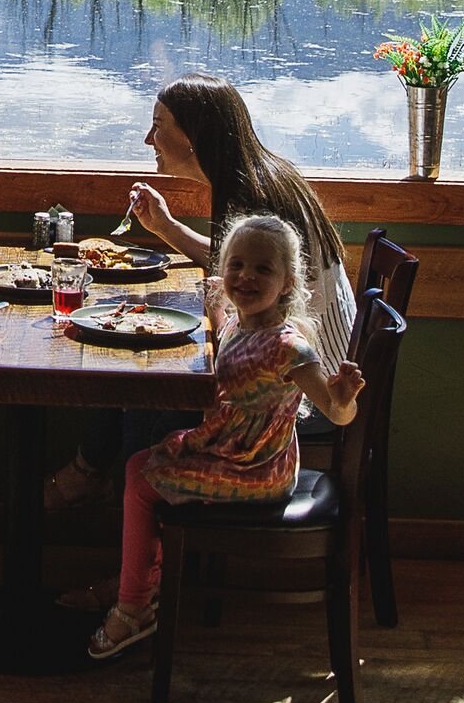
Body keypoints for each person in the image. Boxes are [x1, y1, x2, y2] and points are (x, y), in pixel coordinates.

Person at [45, 76, 353, 511]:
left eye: (158, 125)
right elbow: (236, 269)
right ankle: (97, 482)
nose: (148, 138)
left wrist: (169, 231)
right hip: (295, 373)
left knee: (147, 393)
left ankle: (142, 547)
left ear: (194, 136)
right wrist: (167, 228)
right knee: (135, 366)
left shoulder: (255, 196)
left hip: (306, 391)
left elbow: (255, 289)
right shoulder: (260, 178)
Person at [86, 214, 364, 661]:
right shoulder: (239, 322)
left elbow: (338, 413)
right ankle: (142, 581)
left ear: (288, 283)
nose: (246, 277)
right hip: (232, 450)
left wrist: (343, 395)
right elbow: (223, 311)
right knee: (143, 456)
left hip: (257, 469)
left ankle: (133, 606)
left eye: (262, 270)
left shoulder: (289, 348)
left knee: (140, 478)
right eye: (237, 265)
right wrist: (216, 293)